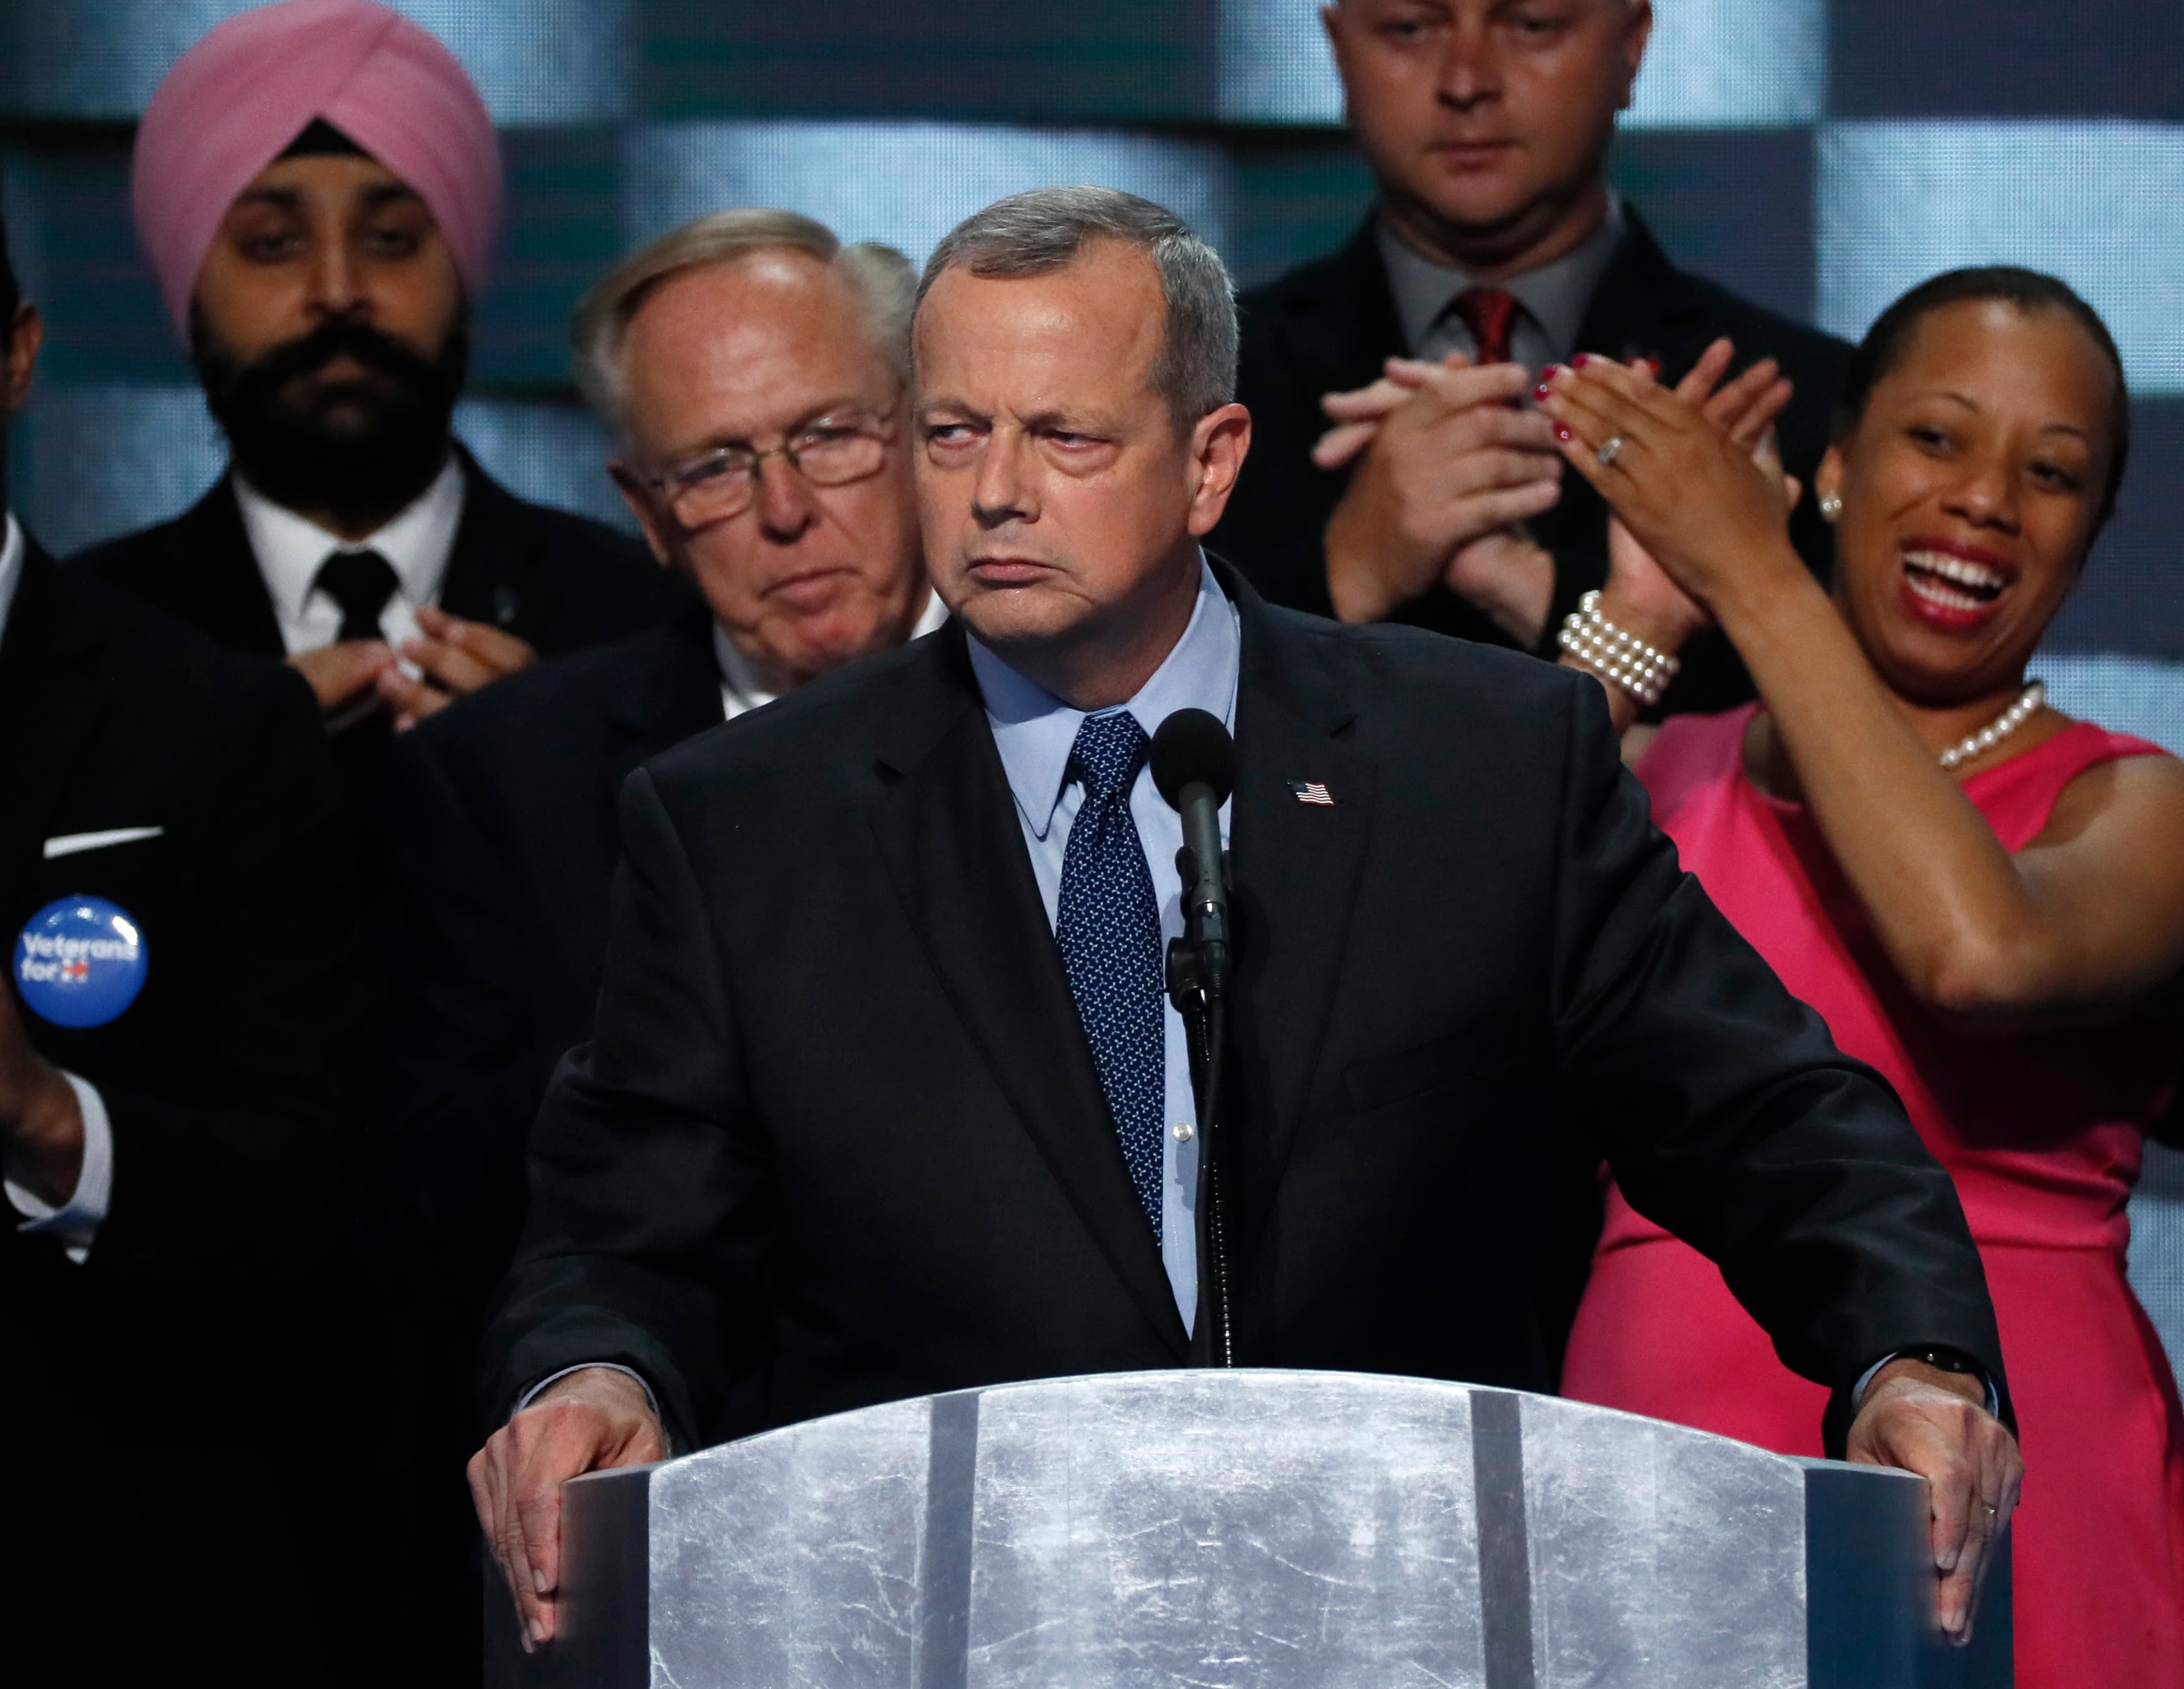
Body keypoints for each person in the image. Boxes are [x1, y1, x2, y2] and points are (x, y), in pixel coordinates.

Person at [467, 187, 2019, 1659]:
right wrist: (593, 1369)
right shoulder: (748, 820)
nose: (995, 489)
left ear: (1211, 462)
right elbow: (626, 1220)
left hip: (1413, 1618)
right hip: (936, 1627)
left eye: (1065, 434)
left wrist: (1909, 1351)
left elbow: (1766, 1112)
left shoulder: (1481, 763)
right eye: (951, 432)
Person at [1538, 270, 2184, 1687]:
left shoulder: (2139, 812)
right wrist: (1642, 611)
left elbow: (1979, 951)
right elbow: (1429, 952)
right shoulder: (1662, 769)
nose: (1988, 500)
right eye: (1938, 439)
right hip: (1657, 1471)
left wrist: (1755, 572)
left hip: (2015, 1487)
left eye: (2054, 471)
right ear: (1837, 460)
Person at [369, 210, 942, 1679]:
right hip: (707, 1535)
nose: (786, 509)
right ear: (643, 507)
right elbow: (433, 1194)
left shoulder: (1087, 708)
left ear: (919, 424)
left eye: (829, 434)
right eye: (714, 466)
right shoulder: (512, 777)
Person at [0, 207, 373, 1686]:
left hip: (94, 1577)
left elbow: (319, 1188)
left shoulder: (208, 724)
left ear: (17, 354)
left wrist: (47, 1122)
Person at [1210, 0, 1846, 718]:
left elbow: (1852, 747)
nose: (1465, 80)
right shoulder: (1200, 386)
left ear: (1632, 45)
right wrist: (1347, 570)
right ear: (1336, 50)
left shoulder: (1803, 400)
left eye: (1532, 25)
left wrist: (1542, 592)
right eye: (1409, 29)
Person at [73, 0, 683, 745]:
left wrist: (560, 783)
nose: (337, 290)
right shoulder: (78, 643)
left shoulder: (642, 621)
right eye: (273, 244)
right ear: (186, 288)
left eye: (390, 239)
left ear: (464, 266)